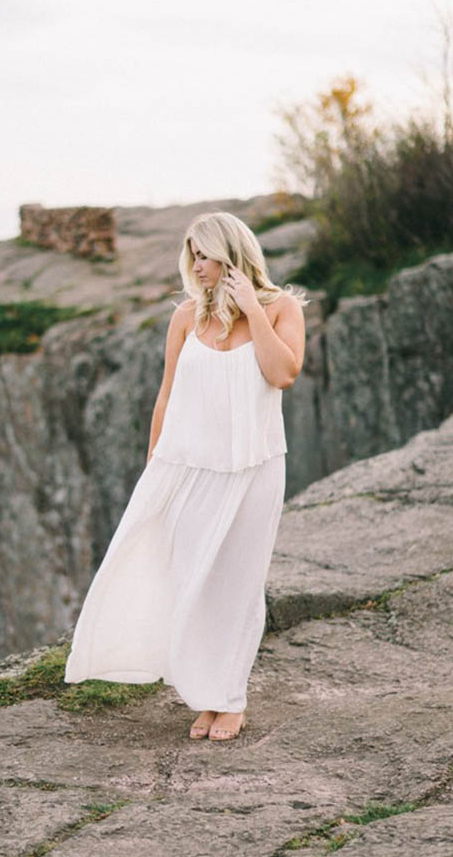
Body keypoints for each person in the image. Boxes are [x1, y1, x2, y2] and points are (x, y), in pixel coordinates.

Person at [63, 210, 307, 740]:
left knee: (238, 586)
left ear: (233, 254)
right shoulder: (185, 319)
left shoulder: (282, 308)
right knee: (191, 582)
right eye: (192, 254)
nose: (196, 265)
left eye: (206, 254)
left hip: (253, 470)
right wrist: (154, 466)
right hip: (189, 468)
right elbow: (167, 396)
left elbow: (283, 373)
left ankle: (230, 699)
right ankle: (204, 693)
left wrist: (251, 311)